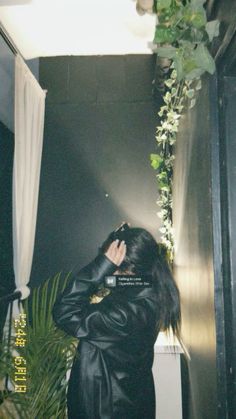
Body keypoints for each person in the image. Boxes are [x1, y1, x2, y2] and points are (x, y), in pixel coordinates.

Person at [52, 223, 181, 419]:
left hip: (106, 408)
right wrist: (120, 240)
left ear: (127, 268)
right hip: (124, 400)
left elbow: (64, 311)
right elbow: (112, 282)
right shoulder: (148, 289)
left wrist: (101, 265)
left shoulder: (124, 313)